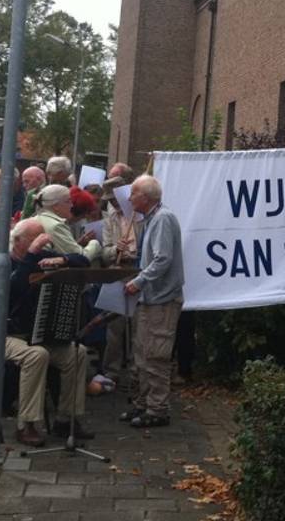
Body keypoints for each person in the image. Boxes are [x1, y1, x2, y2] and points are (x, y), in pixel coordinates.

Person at [4, 219, 95, 446]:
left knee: (78, 352)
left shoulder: (39, 259)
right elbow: (16, 289)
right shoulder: (5, 263)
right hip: (7, 336)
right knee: (37, 356)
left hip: (40, 335)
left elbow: (83, 260)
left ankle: (66, 419)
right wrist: (32, 255)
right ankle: (27, 424)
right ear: (18, 241)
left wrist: (63, 258)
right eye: (36, 239)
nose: (42, 245)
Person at [120, 175, 184, 428]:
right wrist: (132, 255)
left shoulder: (162, 219)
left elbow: (163, 259)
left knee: (156, 354)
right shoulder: (151, 219)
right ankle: (143, 403)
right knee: (142, 353)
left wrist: (139, 281)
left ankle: (158, 409)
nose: (129, 197)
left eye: (133, 193)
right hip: (151, 298)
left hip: (162, 299)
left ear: (146, 197)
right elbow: (154, 257)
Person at [100, 173, 142, 388]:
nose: (113, 204)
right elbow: (105, 251)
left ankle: (136, 372)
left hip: (137, 270)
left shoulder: (141, 216)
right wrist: (115, 250)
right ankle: (111, 371)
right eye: (110, 201)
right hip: (117, 271)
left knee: (137, 326)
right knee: (114, 326)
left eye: (116, 200)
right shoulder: (110, 218)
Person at [35, 185, 86, 255]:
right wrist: (95, 244)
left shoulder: (37, 218)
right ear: (56, 206)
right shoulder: (56, 226)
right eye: (68, 201)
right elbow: (80, 256)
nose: (72, 205)